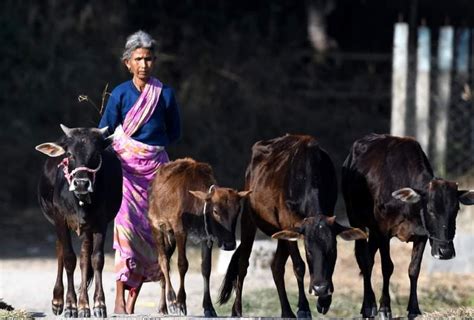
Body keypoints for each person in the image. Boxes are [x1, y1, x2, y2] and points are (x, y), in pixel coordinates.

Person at [99, 30, 181, 314]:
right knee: (125, 231)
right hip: (125, 173)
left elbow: (174, 132)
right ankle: (120, 296)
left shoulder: (165, 94)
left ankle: (133, 299)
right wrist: (127, 148)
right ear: (128, 63)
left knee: (152, 234)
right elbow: (105, 130)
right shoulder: (120, 94)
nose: (144, 64)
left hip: (158, 173)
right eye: (138, 59)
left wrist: (148, 150)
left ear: (154, 61)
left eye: (148, 59)